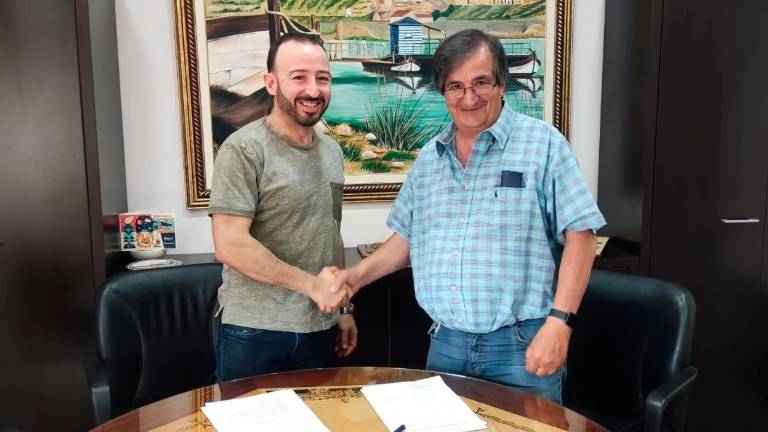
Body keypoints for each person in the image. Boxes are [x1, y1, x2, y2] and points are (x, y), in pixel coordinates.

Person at [329, 29, 605, 403]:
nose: (469, 97)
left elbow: (581, 236)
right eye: (455, 86)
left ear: (502, 82)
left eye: (480, 83)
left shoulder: (544, 144)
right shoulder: (430, 157)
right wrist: (354, 277)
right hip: (446, 344)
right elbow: (408, 239)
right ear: (442, 91)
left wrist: (560, 322)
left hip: (523, 346)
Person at [209, 33, 357, 382]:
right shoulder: (243, 149)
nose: (313, 89)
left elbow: (329, 231)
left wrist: (344, 308)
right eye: (299, 77)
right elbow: (229, 244)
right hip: (254, 332)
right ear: (271, 84)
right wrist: (312, 286)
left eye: (322, 78)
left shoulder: (332, 152)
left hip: (320, 328)